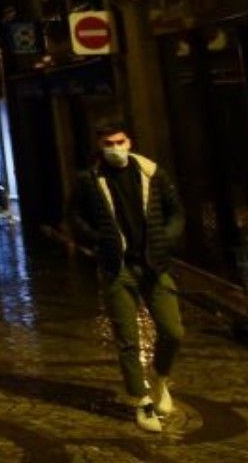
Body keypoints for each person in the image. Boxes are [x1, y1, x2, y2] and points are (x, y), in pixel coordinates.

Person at [68, 119, 186, 433]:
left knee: (173, 331)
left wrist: (166, 238)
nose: (115, 149)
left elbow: (176, 212)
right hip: (117, 269)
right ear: (99, 147)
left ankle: (161, 379)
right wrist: (97, 239)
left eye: (119, 142)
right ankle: (142, 400)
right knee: (127, 340)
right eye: (108, 144)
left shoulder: (151, 173)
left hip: (155, 265)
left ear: (129, 141)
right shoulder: (89, 180)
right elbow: (75, 215)